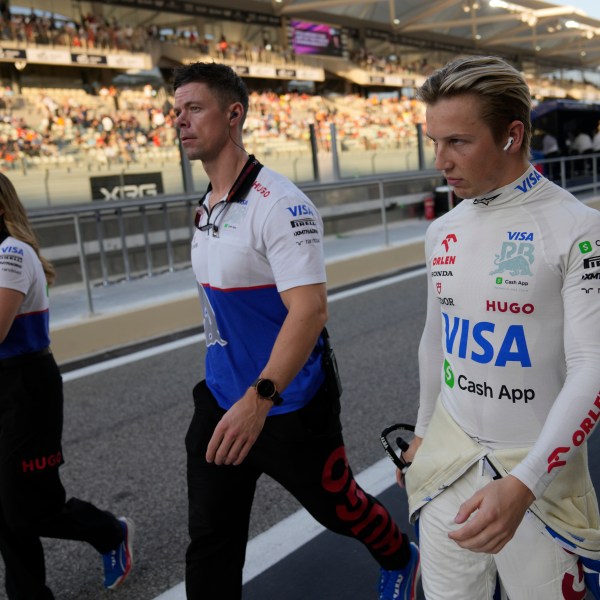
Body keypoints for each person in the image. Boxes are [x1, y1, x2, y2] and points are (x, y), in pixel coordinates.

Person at [173, 61, 420, 600]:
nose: (180, 121)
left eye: (194, 108)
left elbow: (309, 311)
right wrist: (233, 396)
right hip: (220, 401)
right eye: (176, 110)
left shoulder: (281, 204)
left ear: (233, 114)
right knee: (211, 539)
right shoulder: (206, 208)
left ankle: (401, 555)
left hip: (285, 405)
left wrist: (259, 399)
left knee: (341, 508)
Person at [399, 55, 600, 599]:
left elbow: (592, 369)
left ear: (513, 135)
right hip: (447, 464)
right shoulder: (442, 230)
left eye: (458, 142)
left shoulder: (579, 229)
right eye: (433, 141)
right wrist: (420, 435)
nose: (440, 160)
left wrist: (524, 484)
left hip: (536, 479)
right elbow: (435, 338)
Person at [0, 172, 133, 599]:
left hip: (26, 389)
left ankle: (110, 532)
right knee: (2, 510)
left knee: (28, 508)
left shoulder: (12, 253)